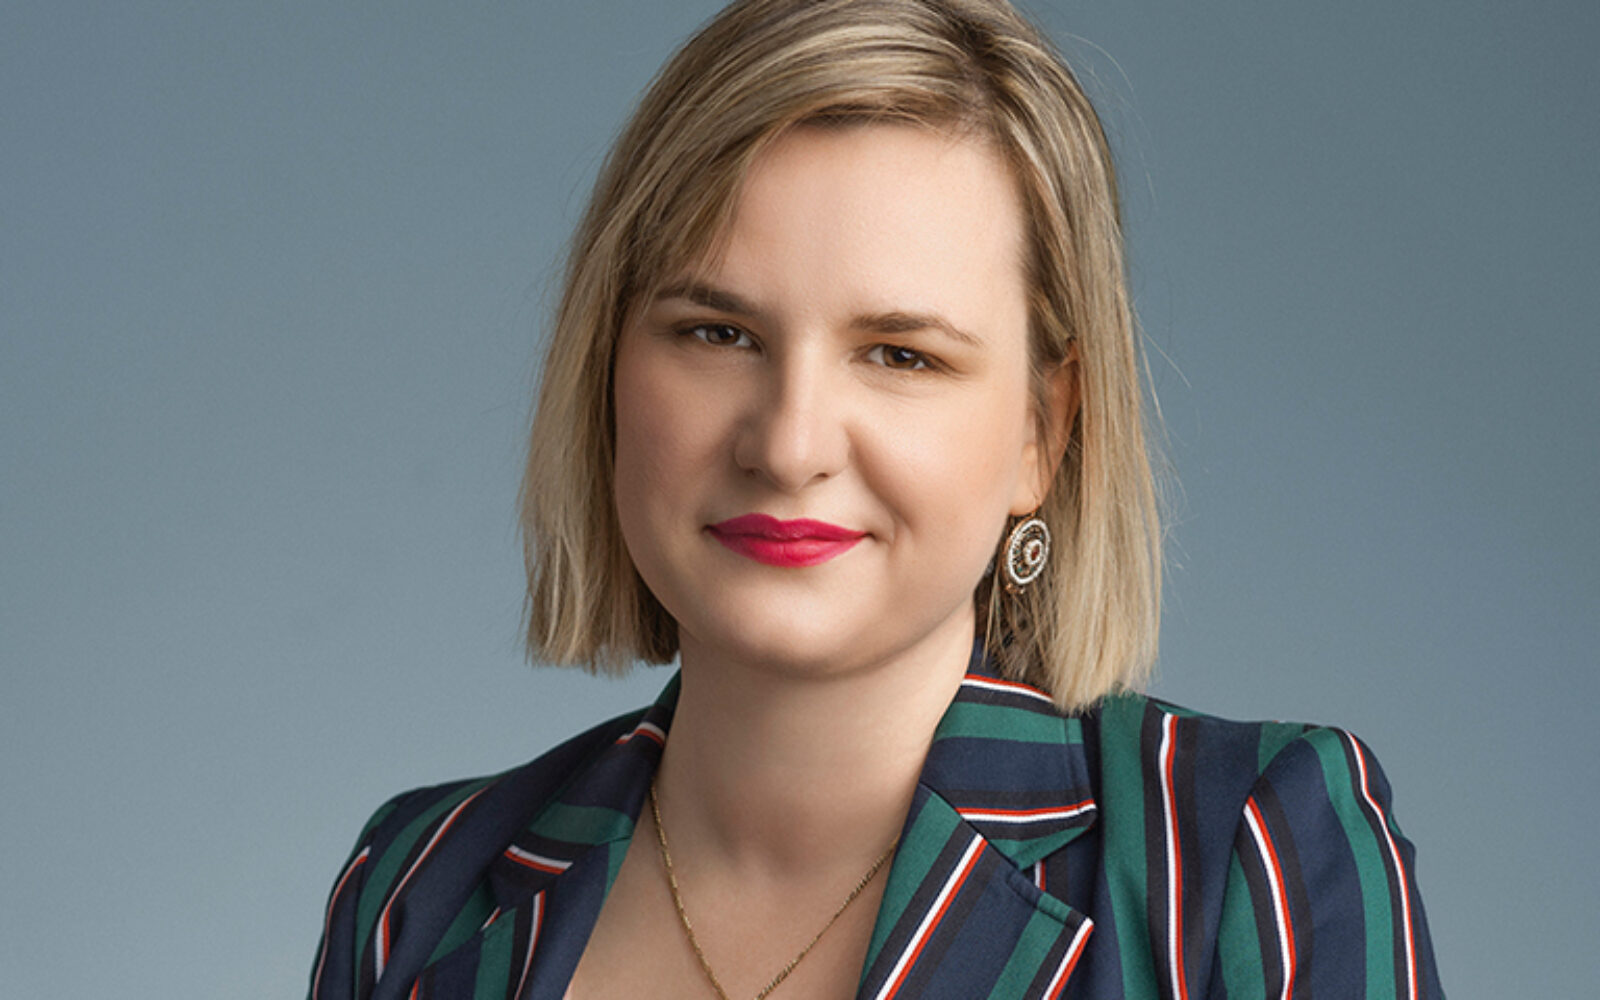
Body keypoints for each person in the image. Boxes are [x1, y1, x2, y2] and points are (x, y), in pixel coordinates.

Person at [308, 1, 1442, 997]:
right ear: (606, 368)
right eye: (717, 333)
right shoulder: (416, 891)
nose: (789, 443)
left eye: (900, 355)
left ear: (1044, 430)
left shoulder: (1245, 857)